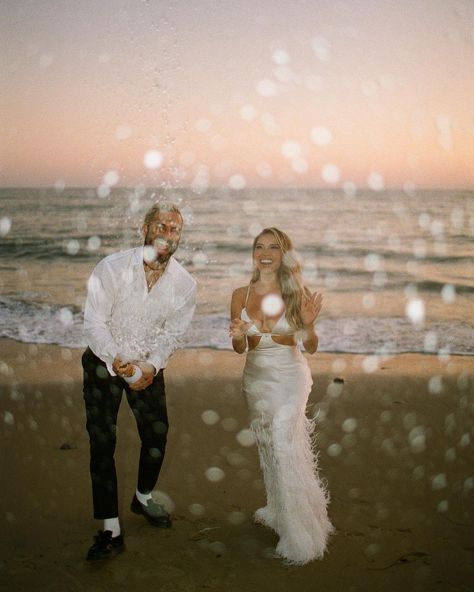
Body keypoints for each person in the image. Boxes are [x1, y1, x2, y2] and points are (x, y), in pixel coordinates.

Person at [82, 201, 196, 561]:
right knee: (103, 443)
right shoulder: (112, 268)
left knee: (157, 435)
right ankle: (110, 530)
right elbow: (94, 323)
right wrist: (118, 361)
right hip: (103, 361)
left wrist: (151, 367)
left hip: (148, 367)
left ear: (180, 237)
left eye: (174, 229)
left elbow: (173, 335)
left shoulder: (185, 284)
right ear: (144, 229)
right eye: (160, 226)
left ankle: (143, 498)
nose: (166, 234)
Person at [229, 227, 333, 565]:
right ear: (253, 252)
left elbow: (311, 347)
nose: (265, 252)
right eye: (259, 246)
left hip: (291, 379)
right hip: (256, 381)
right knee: (269, 447)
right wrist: (241, 335)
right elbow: (241, 347)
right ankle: (280, 509)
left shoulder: (296, 294)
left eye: (273, 247)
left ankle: (298, 533)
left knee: (284, 443)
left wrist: (309, 325)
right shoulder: (240, 295)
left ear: (284, 253)